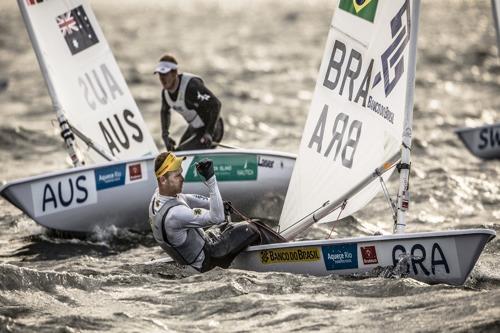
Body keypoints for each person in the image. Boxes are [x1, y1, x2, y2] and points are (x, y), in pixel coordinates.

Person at [149, 152, 264, 272]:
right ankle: (274, 252)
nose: (182, 178)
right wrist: (211, 180)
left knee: (229, 225)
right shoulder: (175, 215)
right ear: (163, 180)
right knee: (253, 226)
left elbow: (185, 198)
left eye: (181, 173)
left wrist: (215, 203)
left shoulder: (158, 196)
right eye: (177, 175)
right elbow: (217, 217)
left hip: (195, 252)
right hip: (206, 261)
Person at [154, 53, 224, 151]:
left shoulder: (191, 86)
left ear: (174, 73)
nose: (162, 78)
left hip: (213, 128)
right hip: (195, 128)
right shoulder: (165, 93)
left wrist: (209, 133)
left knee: (180, 154)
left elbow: (216, 104)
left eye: (165, 74)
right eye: (160, 74)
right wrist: (165, 136)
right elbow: (165, 112)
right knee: (175, 152)